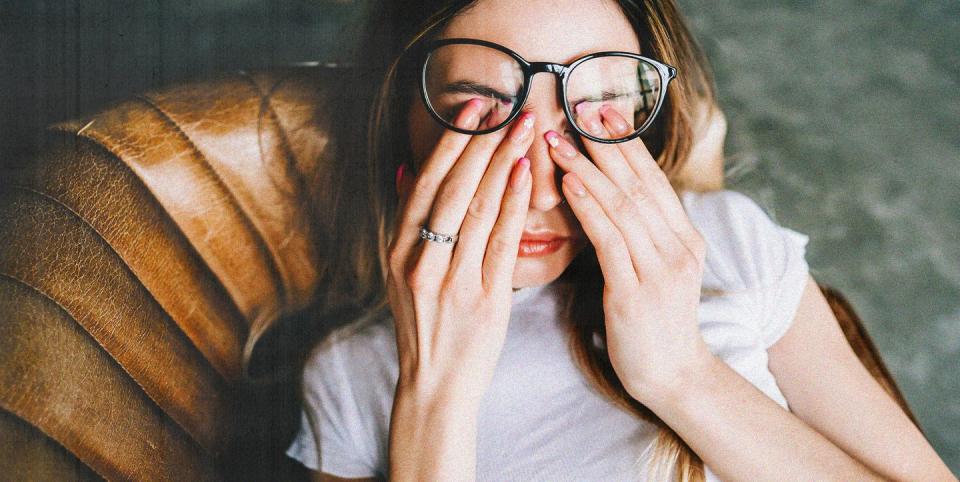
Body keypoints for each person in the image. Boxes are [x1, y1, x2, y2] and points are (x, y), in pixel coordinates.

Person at [283, 0, 956, 480]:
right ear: (401, 127)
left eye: (595, 111)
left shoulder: (728, 242)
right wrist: (436, 393)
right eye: (479, 114)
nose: (545, 190)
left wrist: (681, 376)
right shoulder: (351, 376)